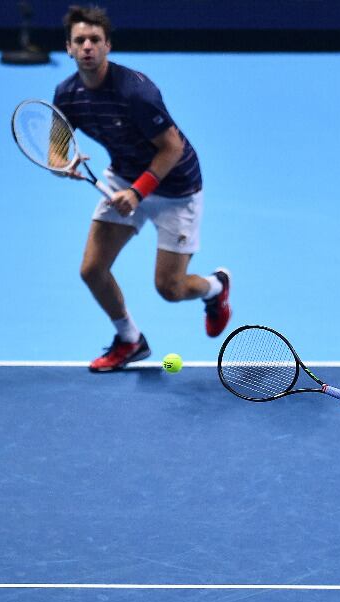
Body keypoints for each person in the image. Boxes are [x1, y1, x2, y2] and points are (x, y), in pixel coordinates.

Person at [54, 5, 231, 372]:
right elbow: (56, 149)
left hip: (175, 187)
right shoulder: (67, 95)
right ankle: (130, 340)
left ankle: (215, 288)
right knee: (92, 270)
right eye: (80, 40)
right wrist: (63, 165)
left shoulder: (136, 92)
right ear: (69, 48)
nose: (87, 46)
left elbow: (172, 148)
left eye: (95, 40)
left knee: (170, 289)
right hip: (124, 174)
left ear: (108, 46)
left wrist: (137, 193)